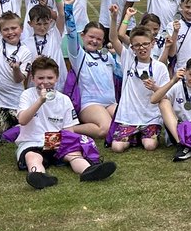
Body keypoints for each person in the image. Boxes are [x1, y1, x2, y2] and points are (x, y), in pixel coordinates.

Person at [16, 57, 116, 189]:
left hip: (54, 140)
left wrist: (68, 145)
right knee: (33, 157)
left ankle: (89, 170)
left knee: (74, 154)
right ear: (33, 79)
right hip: (32, 141)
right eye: (40, 78)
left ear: (56, 78)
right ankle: (38, 176)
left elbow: (69, 131)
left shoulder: (64, 99)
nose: (45, 82)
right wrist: (40, 101)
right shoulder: (27, 95)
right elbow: (22, 120)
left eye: (50, 78)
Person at [107, 19, 169, 153]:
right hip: (128, 116)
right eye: (137, 45)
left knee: (150, 145)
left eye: (146, 44)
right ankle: (134, 136)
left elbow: (167, 95)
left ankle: (139, 136)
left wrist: (154, 88)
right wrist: (114, 17)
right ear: (132, 48)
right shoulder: (127, 59)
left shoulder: (160, 67)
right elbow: (113, 38)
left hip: (150, 116)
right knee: (117, 148)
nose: (142, 48)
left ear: (152, 44)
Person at [65, 17, 120, 141]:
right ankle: (69, 128)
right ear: (83, 35)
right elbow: (71, 34)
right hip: (90, 104)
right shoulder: (79, 56)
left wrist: (115, 54)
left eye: (99, 39)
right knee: (105, 129)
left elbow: (120, 73)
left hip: (111, 103)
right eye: (91, 37)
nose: (94, 41)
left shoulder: (108, 56)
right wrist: (68, 8)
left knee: (126, 124)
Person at [0, 3, 33, 136]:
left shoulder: (25, 52)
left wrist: (16, 69)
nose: (10, 32)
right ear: (0, 32)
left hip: (13, 100)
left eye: (14, 28)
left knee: (26, 126)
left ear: (21, 29)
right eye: (6, 29)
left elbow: (19, 79)